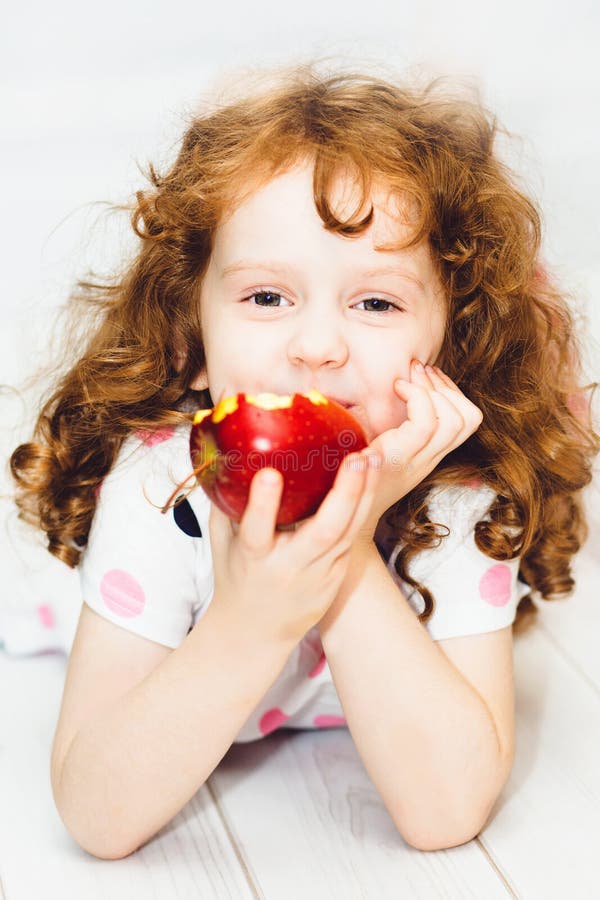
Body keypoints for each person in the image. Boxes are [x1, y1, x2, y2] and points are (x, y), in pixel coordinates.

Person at [9, 60, 599, 859]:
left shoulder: (459, 501)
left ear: (450, 347)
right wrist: (251, 618)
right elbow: (97, 816)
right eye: (266, 297)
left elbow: (445, 813)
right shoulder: (156, 489)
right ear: (193, 343)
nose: (318, 347)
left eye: (377, 303)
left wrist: (345, 544)